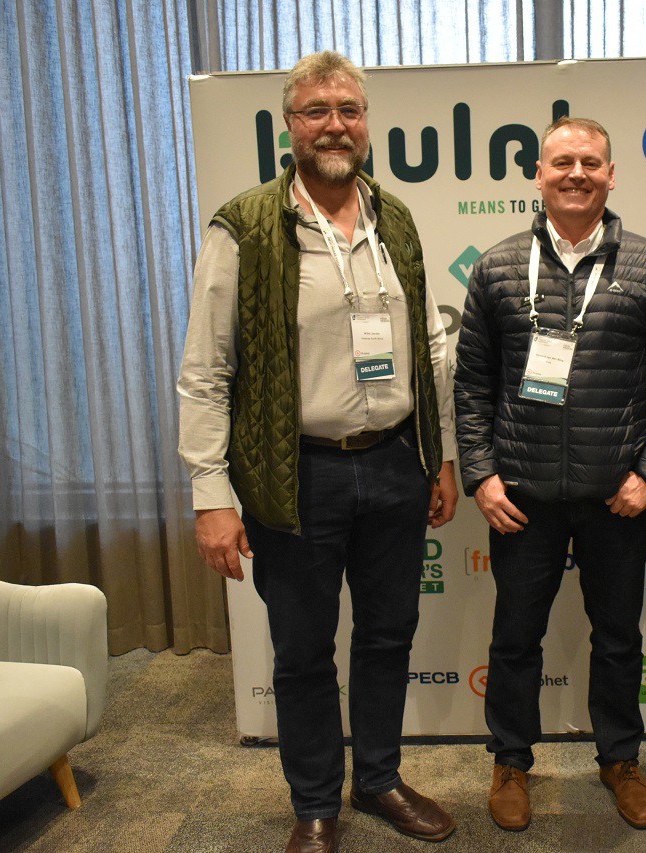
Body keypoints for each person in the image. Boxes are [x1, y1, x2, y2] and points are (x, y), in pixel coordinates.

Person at [177, 50, 458, 853]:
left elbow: (427, 350)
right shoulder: (245, 227)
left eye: (349, 110)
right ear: (289, 127)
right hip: (295, 474)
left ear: (366, 124)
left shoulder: (394, 219)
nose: (335, 126)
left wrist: (440, 456)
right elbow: (206, 370)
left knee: (388, 634)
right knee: (302, 651)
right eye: (316, 112)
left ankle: (378, 778)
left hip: (395, 464)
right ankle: (313, 804)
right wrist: (211, 492)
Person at [454, 116, 646, 833]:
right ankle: (510, 761)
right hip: (521, 496)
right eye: (562, 162)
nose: (576, 174)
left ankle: (620, 759)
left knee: (618, 638)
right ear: (538, 175)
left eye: (591, 162)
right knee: (514, 639)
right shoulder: (499, 267)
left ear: (611, 175)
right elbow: (471, 385)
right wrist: (481, 475)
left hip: (615, 497)